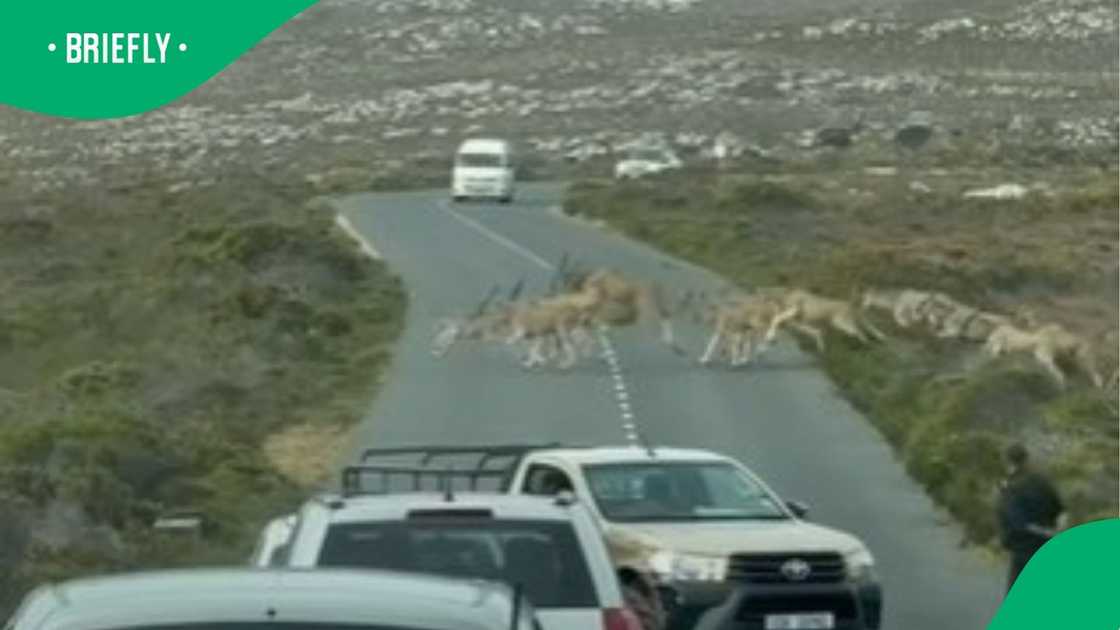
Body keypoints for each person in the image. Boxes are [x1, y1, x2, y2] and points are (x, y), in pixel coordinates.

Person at [996, 443, 1066, 594]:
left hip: (1024, 549)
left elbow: (1020, 523)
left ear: (1007, 461)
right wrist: (1058, 532)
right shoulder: (1043, 481)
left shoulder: (1012, 488)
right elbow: (1061, 509)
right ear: (1026, 458)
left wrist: (1046, 533)